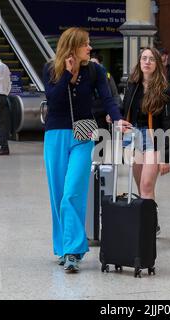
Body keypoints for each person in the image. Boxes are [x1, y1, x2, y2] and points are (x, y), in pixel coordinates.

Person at [42, 27, 130, 273]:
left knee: (72, 192)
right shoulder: (51, 68)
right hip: (56, 134)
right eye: (86, 44)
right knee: (58, 194)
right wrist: (68, 75)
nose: (90, 48)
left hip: (84, 134)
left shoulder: (96, 70)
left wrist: (117, 118)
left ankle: (73, 250)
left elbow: (107, 98)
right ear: (72, 47)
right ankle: (63, 248)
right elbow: (55, 100)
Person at [122, 47, 170, 236]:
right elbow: (125, 111)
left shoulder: (165, 90)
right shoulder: (132, 85)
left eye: (151, 59)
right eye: (144, 58)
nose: (147, 62)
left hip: (154, 137)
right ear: (139, 62)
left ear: (157, 64)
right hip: (133, 136)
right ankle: (150, 217)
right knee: (141, 186)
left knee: (147, 184)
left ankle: (147, 226)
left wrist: (165, 157)